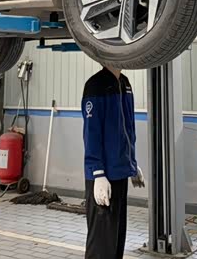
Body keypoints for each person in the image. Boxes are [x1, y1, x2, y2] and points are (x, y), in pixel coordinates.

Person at [81, 66, 145, 259]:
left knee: (116, 244)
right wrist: (97, 173)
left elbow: (128, 129)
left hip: (120, 174)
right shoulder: (95, 85)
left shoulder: (125, 84)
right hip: (103, 178)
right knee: (101, 247)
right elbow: (91, 134)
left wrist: (132, 164)